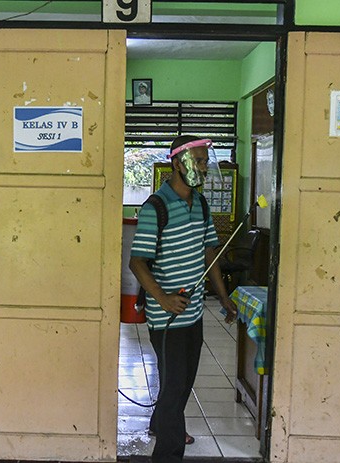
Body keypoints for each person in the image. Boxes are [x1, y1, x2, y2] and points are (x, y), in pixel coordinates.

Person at [129, 135, 237, 463]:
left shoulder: (201, 204)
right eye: (199, 161)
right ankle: (167, 453)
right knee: (175, 386)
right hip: (168, 318)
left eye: (206, 162)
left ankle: (162, 422)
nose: (204, 168)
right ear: (178, 163)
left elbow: (210, 254)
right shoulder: (156, 208)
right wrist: (161, 298)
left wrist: (224, 297)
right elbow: (137, 262)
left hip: (193, 315)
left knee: (184, 382)